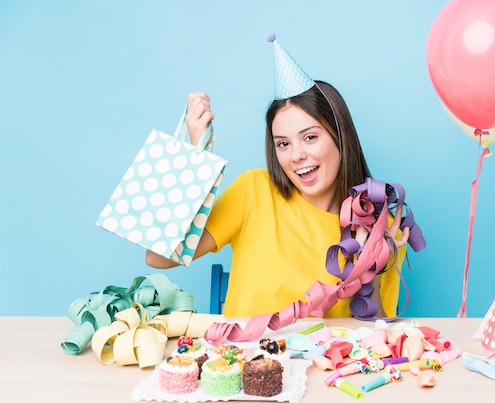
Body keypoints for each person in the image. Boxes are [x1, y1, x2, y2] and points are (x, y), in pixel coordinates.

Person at [146, 36, 423, 318]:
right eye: (283, 143)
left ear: (341, 138)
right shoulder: (253, 192)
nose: (296, 155)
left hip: (322, 363)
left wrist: (368, 265)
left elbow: (374, 338)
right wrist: (192, 158)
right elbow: (156, 257)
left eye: (310, 137)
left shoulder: (380, 225)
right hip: (244, 360)